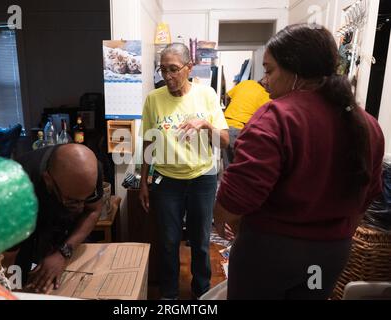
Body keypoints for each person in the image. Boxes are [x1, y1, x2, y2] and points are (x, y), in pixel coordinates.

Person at [214, 24, 385, 300]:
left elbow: (236, 198)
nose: (265, 81)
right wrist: (333, 235)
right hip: (327, 258)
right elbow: (366, 197)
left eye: (269, 71)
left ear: (294, 71)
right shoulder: (367, 125)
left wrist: (220, 218)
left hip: (270, 256)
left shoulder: (276, 117)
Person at [139, 43, 229, 299]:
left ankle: (202, 292)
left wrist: (204, 124)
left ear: (189, 67)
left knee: (200, 243)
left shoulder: (207, 95)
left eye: (174, 69)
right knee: (168, 242)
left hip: (203, 179)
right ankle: (169, 295)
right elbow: (148, 141)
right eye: (163, 69)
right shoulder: (153, 100)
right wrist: (143, 181)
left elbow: (224, 141)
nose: (167, 76)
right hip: (167, 182)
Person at [10, 144, 103, 293]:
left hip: (68, 228)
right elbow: (10, 253)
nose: (80, 207)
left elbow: (93, 210)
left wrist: (63, 253)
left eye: (86, 198)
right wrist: (13, 290)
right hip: (26, 230)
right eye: (73, 200)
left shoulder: (92, 169)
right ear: (48, 180)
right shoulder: (17, 183)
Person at [223, 78, 271, 165]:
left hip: (223, 126)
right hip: (239, 129)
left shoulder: (246, 83)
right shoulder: (266, 96)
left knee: (226, 165)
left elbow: (226, 97)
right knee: (238, 165)